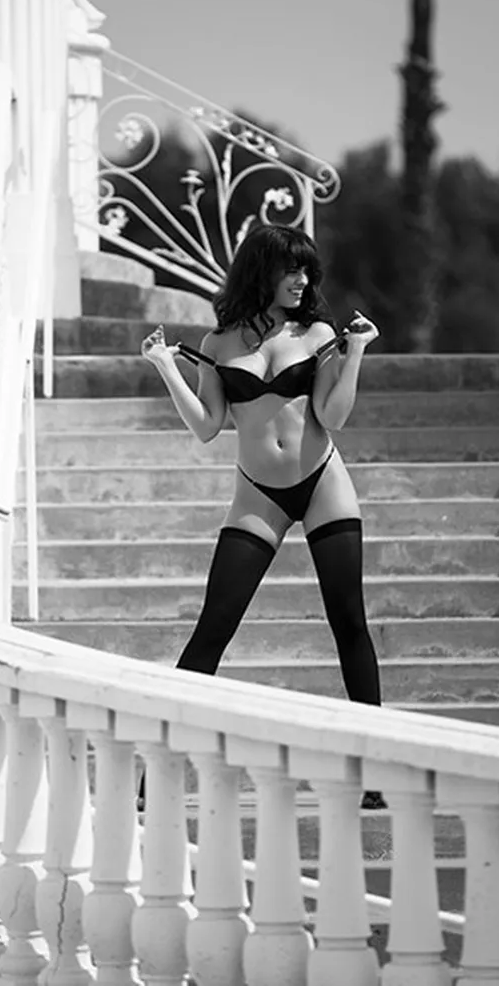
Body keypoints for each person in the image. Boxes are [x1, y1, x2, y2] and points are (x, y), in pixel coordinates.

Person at [141, 223, 385, 806]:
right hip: (258, 493)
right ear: (262, 270)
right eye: (290, 269)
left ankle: (375, 773)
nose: (302, 280)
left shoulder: (319, 334)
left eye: (307, 271)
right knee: (213, 626)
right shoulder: (219, 342)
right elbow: (207, 426)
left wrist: (355, 353)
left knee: (349, 622)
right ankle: (159, 775)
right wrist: (166, 367)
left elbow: (333, 415)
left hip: (322, 482)